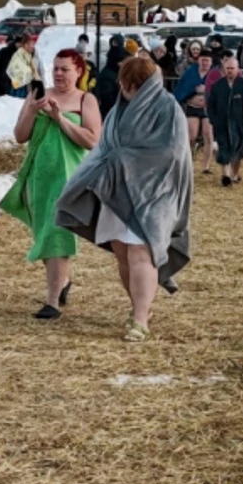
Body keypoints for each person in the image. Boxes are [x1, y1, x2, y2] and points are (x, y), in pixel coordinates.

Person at [54, 55, 192, 342]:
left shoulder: (168, 108)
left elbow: (173, 152)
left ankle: (140, 319)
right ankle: (138, 307)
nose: (123, 90)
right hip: (118, 192)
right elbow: (105, 146)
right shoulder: (120, 109)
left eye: (126, 84)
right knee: (122, 251)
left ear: (136, 84)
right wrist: (87, 177)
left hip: (154, 194)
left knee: (142, 251)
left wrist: (126, 160)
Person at [0, 50, 102, 320]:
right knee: (44, 233)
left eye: (65, 69)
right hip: (39, 176)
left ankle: (52, 302)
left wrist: (60, 118)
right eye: (55, 68)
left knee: (58, 233)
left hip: (70, 178)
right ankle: (63, 281)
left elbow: (92, 141)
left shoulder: (86, 100)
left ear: (79, 71)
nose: (59, 73)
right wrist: (32, 111)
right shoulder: (39, 95)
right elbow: (20, 136)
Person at [207, 55, 243, 186]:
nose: (229, 70)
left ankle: (234, 174)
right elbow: (211, 104)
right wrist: (214, 119)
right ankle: (226, 175)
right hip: (222, 123)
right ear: (224, 69)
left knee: (239, 150)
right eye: (227, 68)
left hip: (240, 124)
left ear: (237, 69)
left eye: (232, 68)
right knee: (224, 148)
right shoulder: (218, 86)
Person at [173, 49, 216, 175]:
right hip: (193, 107)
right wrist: (193, 91)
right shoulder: (191, 72)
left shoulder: (215, 74)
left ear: (211, 61)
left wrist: (206, 90)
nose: (205, 63)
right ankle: (188, 162)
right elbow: (182, 88)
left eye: (207, 60)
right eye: (203, 60)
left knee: (208, 135)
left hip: (208, 108)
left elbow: (220, 89)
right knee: (191, 136)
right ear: (199, 60)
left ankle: (206, 166)